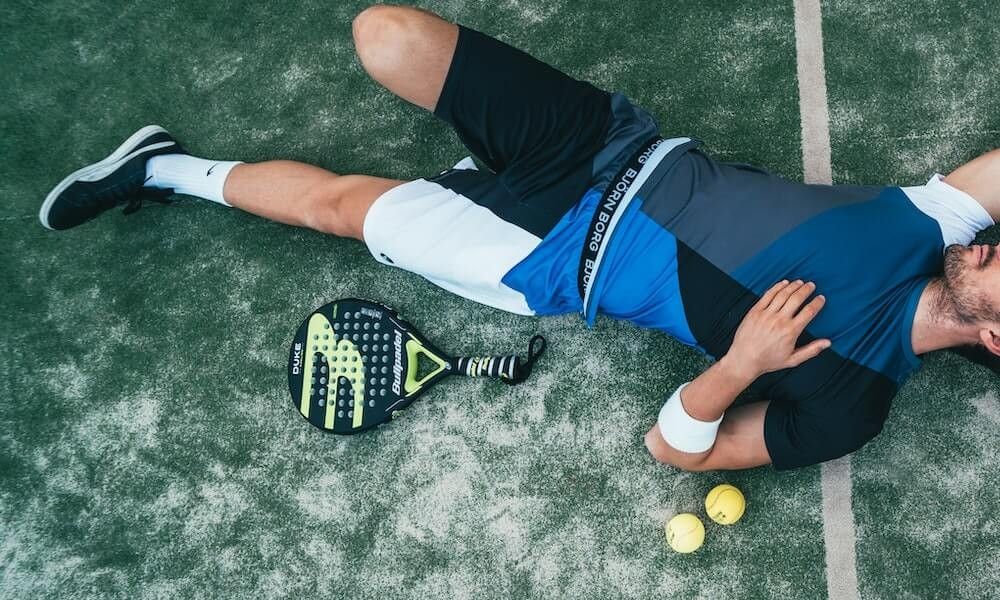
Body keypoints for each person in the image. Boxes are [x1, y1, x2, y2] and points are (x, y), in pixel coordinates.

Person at [39, 6, 999, 471]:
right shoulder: (943, 223)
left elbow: (677, 452)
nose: (997, 243)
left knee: (337, 208)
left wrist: (741, 365)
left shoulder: (852, 404)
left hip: (540, 258)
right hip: (601, 144)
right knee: (385, 34)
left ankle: (161, 170)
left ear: (993, 336)